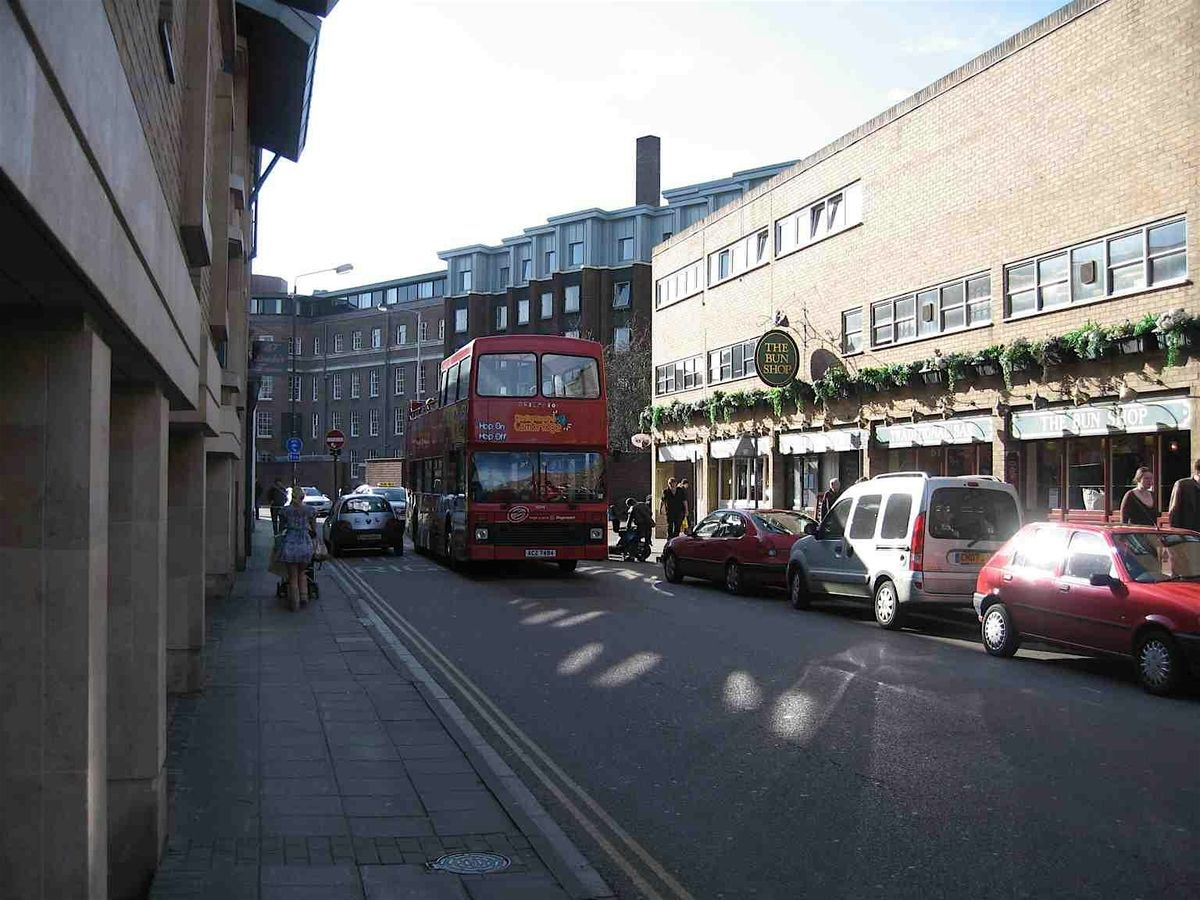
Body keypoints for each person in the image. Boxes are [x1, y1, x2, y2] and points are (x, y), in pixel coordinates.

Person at [277, 484, 317, 611]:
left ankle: (295, 603)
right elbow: (314, 529)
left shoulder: (286, 511)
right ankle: (304, 596)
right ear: (303, 497)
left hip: (290, 543)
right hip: (305, 543)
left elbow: (281, 528)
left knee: (292, 576)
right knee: (302, 572)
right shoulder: (309, 510)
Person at [1168, 458, 1200, 531]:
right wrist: (1176, 532)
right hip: (1188, 532)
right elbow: (1174, 511)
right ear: (1198, 472)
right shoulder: (1183, 485)